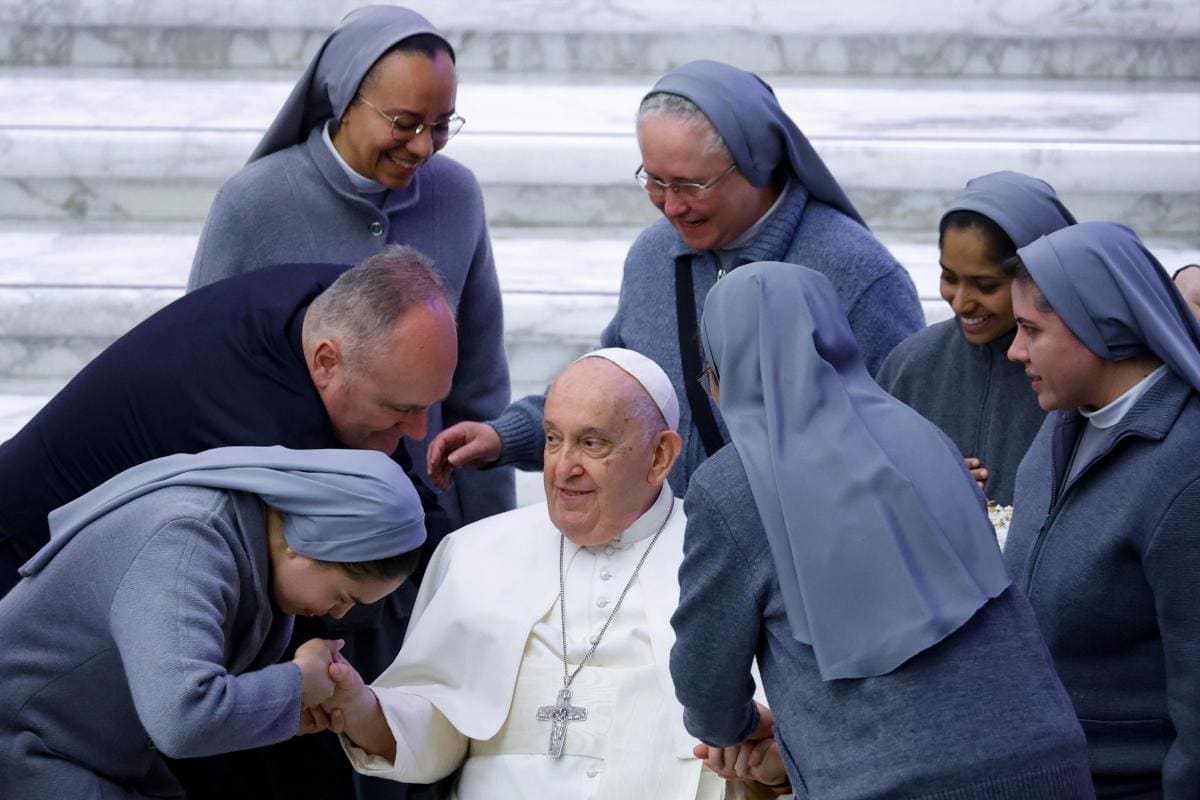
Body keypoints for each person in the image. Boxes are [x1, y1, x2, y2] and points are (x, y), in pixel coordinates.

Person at [0, 245, 455, 799]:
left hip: (103, 729)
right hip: (26, 694)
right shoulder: (199, 530)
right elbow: (186, 717)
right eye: (397, 409)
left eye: (428, 407)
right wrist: (299, 689)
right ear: (327, 361)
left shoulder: (337, 307)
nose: (418, 431)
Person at [670, 262, 1095, 798]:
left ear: (720, 369)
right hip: (1048, 762)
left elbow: (706, 677)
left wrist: (736, 729)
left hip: (896, 783)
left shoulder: (733, 485)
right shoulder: (925, 437)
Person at [428, 59, 923, 496]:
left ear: (756, 163)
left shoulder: (859, 277)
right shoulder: (653, 257)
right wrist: (505, 436)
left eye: (690, 185)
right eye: (655, 181)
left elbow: (908, 445)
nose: (670, 205)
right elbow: (617, 391)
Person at [315, 349, 777, 797]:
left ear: (660, 457)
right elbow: (438, 726)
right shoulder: (475, 552)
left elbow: (770, 744)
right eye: (553, 439)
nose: (563, 468)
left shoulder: (728, 554)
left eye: (592, 443)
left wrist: (768, 763)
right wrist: (360, 707)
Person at [188, 5, 512, 532]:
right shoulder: (252, 205)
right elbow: (203, 383)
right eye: (405, 124)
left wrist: (487, 534)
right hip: (291, 532)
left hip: (423, 525)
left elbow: (478, 387)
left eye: (441, 125)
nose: (424, 146)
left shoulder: (458, 197)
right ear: (344, 99)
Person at [0, 446, 425, 800]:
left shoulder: (241, 535)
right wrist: (296, 683)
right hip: (25, 754)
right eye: (342, 596)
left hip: (90, 753)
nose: (340, 614)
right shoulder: (186, 542)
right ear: (307, 545)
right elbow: (184, 720)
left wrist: (284, 710)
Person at [1003, 223, 1200, 796]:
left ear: (1098, 325)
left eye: (1030, 329)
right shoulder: (1067, 420)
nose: (1015, 350)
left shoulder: (1185, 471)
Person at [877, 171, 1077, 505]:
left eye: (986, 286)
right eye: (949, 277)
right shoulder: (910, 366)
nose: (960, 302)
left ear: (1038, 276)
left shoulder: (1075, 373)